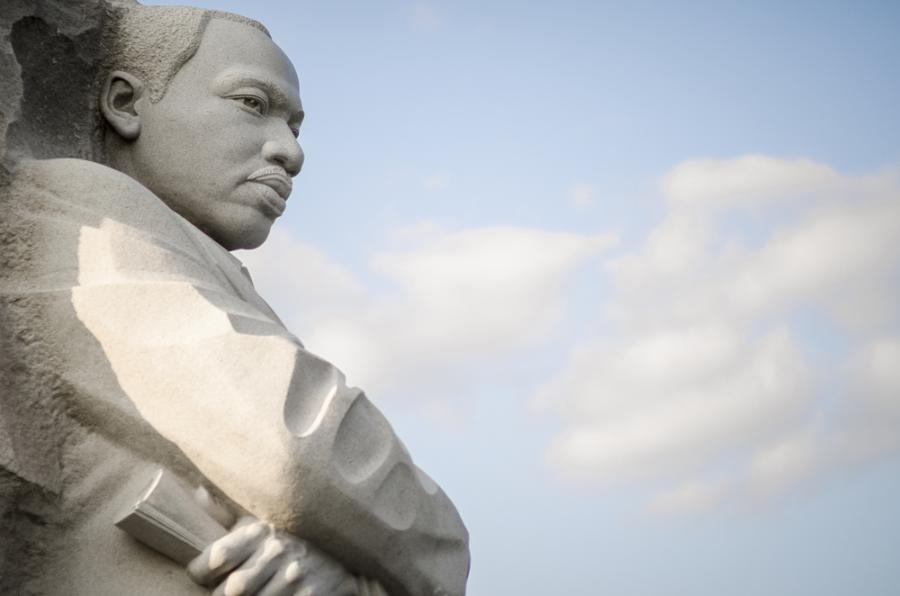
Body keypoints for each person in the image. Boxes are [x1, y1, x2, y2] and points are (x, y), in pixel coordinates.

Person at [0, 5, 468, 595]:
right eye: (252, 103)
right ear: (125, 103)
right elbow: (293, 451)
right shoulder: (80, 203)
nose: (290, 152)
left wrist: (342, 575)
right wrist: (445, 545)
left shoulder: (192, 255)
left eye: (295, 128)